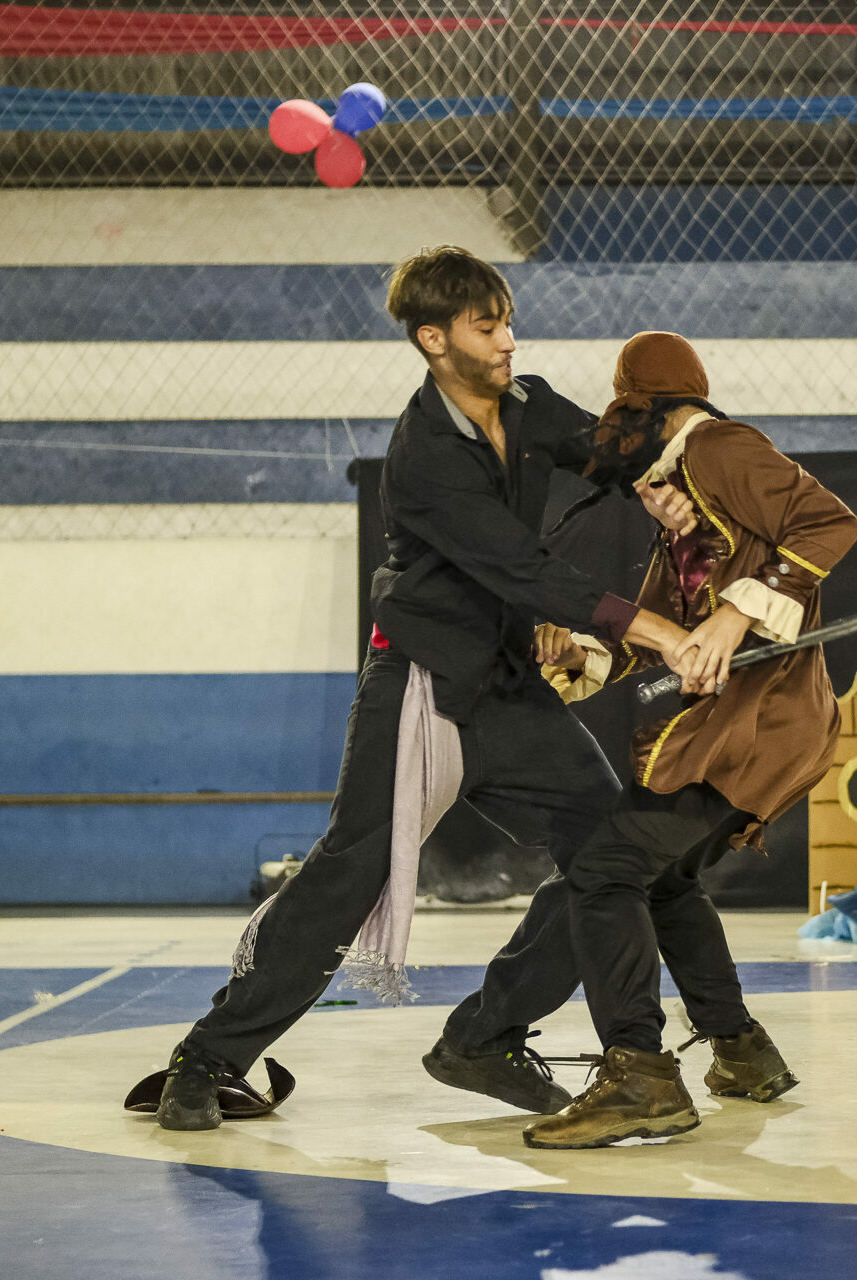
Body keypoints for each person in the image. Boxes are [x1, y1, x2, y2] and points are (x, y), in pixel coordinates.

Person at [134, 247, 696, 1131]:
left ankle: (485, 1036)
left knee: (613, 849)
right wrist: (661, 631)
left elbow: (606, 449)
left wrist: (664, 479)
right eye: (487, 327)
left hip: (506, 691)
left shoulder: (528, 403)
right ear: (434, 340)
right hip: (421, 685)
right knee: (347, 876)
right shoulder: (425, 456)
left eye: (508, 322)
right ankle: (207, 1057)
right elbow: (521, 569)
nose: (508, 340)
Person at [447, 331, 857, 1150]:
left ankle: (639, 1074)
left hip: (754, 728)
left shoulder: (716, 446)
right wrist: (583, 655)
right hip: (746, 730)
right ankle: (740, 1051)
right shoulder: (686, 510)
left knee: (604, 872)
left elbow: (829, 521)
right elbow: (657, 633)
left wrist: (735, 616)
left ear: (652, 412)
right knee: (663, 881)